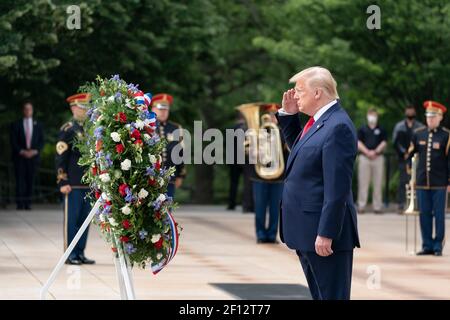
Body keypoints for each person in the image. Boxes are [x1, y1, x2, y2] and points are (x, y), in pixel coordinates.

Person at [276, 67, 360, 300]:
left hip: (323, 235)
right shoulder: (319, 122)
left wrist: (326, 232)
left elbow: (337, 188)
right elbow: (301, 155)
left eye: (300, 91)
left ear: (318, 93)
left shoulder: (338, 126)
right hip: (307, 230)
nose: (295, 95)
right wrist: (289, 116)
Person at [56, 93, 95, 265]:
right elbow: (60, 157)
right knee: (71, 221)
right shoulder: (68, 129)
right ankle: (70, 254)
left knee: (84, 221)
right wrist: (62, 180)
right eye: (82, 107)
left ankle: (80, 252)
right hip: (72, 183)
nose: (85, 110)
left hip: (88, 184)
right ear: (73, 107)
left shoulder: (91, 128)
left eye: (87, 107)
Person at [406, 100, 449, 257]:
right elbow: (409, 154)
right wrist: (410, 174)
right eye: (428, 116)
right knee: (424, 214)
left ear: (440, 117)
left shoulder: (446, 136)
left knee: (438, 215)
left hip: (440, 183)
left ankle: (438, 245)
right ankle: (427, 245)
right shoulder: (418, 134)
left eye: (433, 117)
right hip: (422, 182)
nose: (430, 119)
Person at [251, 103, 288, 243]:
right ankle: (260, 234)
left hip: (278, 176)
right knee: (260, 207)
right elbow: (249, 152)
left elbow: (289, 150)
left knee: (275, 208)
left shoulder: (284, 131)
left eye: (275, 114)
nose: (272, 117)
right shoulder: (258, 131)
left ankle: (272, 234)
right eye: (271, 114)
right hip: (260, 176)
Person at [10, 101, 44, 210]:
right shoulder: (17, 124)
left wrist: (34, 151)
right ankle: (20, 204)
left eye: (30, 109)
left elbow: (41, 141)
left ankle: (28, 203)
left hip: (33, 157)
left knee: (30, 180)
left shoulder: (38, 124)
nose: (28, 111)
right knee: (20, 180)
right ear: (23, 110)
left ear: (32, 110)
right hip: (20, 157)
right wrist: (22, 151)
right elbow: (13, 141)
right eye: (26, 109)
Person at [151, 93, 186, 198]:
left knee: (167, 208)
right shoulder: (147, 126)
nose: (163, 112)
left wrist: (181, 175)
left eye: (166, 110)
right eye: (160, 109)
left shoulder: (176, 128)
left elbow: (181, 153)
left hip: (169, 177)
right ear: (153, 109)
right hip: (151, 177)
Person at [392, 106, 424, 212]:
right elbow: (395, 142)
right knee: (403, 181)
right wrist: (403, 153)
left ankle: (418, 204)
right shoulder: (399, 126)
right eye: (408, 111)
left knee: (417, 180)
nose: (410, 113)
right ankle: (401, 204)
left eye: (412, 111)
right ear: (405, 112)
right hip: (403, 158)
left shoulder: (420, 126)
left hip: (416, 158)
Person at [357, 108, 387, 213]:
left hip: (378, 158)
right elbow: (358, 142)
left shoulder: (381, 129)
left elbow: (384, 142)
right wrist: (367, 152)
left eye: (374, 115)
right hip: (364, 158)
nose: (372, 117)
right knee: (363, 183)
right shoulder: (362, 129)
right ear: (367, 116)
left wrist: (375, 152)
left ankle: (377, 207)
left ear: (377, 116)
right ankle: (361, 206)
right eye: (370, 115)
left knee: (378, 183)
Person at [227, 113, 254, 212]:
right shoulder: (248, 129)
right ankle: (247, 204)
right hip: (246, 159)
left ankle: (231, 204)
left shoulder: (231, 129)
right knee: (248, 182)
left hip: (233, 160)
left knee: (233, 183)